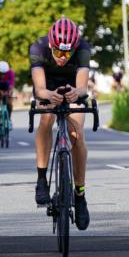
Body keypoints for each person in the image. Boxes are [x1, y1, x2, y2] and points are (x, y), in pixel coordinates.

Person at [29, 17, 92, 230]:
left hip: (73, 88)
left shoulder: (83, 48)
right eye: (58, 52)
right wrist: (48, 95)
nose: (63, 58)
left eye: (68, 53)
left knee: (77, 134)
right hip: (48, 87)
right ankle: (41, 178)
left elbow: (83, 87)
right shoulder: (38, 47)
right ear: (50, 45)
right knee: (46, 118)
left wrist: (77, 93)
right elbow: (39, 89)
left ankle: (80, 195)